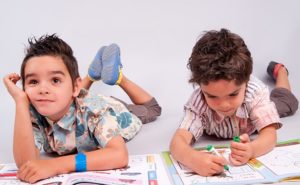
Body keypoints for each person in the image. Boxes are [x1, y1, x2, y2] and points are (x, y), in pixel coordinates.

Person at [3, 34, 161, 183]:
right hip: (78, 100)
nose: (42, 89)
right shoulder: (32, 109)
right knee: (67, 99)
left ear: (75, 86)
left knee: (152, 109)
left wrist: (56, 165)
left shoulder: (96, 111)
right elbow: (26, 164)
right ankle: (91, 77)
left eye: (55, 80)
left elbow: (119, 155)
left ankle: (119, 77)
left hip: (115, 110)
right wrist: (20, 102)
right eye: (33, 82)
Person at [170, 28, 298, 176]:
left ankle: (280, 71)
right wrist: (193, 159)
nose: (224, 105)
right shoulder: (198, 103)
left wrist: (252, 149)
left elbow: (270, 135)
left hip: (254, 109)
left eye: (233, 94)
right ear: (200, 86)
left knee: (286, 100)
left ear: (246, 81)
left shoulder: (255, 94)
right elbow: (177, 142)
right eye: (212, 96)